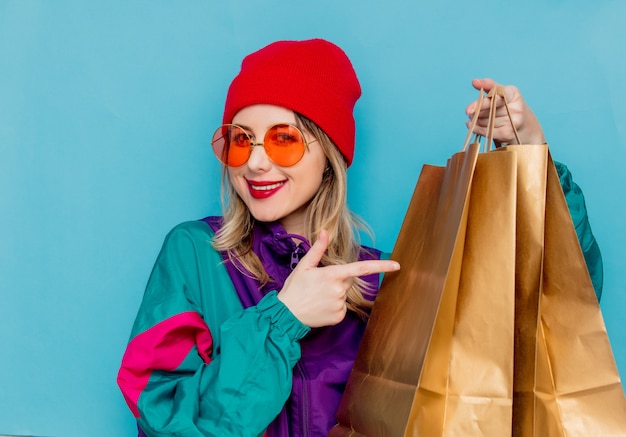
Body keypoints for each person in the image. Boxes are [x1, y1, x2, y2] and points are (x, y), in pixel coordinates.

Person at [117, 38, 603, 437]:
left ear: (329, 153)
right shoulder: (196, 255)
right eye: (240, 139)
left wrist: (529, 158)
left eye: (283, 139)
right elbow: (163, 419)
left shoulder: (383, 279)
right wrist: (281, 320)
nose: (256, 162)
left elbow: (546, 310)